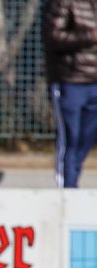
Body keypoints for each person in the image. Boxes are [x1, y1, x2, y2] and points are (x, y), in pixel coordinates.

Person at [43, 0, 97, 189]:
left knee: (86, 138)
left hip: (95, 82)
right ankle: (66, 190)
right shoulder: (63, 3)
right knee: (70, 138)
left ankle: (73, 180)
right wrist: (90, 35)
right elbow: (54, 36)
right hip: (71, 80)